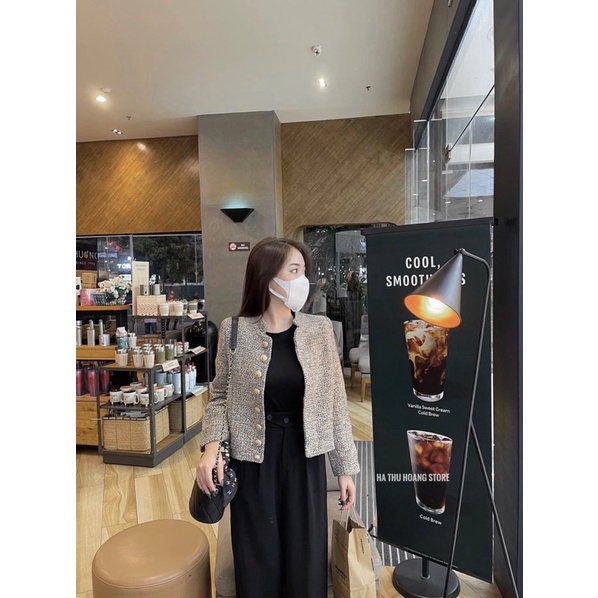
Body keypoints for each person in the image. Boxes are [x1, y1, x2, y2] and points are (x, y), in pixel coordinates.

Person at [195, 236, 359, 598]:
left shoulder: (319, 330)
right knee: (258, 556)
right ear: (268, 277)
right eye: (294, 271)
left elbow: (335, 401)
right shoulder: (234, 330)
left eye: (304, 271)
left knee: (306, 555)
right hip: (253, 460)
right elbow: (219, 395)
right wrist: (210, 448)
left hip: (305, 456)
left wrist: (345, 468)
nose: (303, 281)